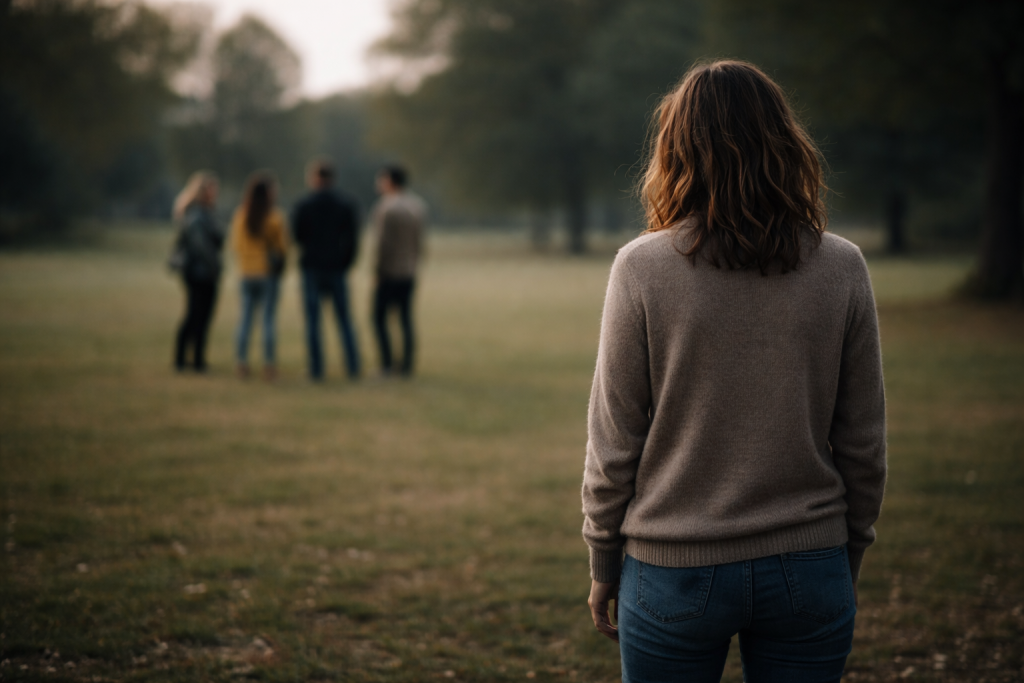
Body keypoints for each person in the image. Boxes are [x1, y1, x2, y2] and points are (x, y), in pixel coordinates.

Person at [581, 60, 887, 683]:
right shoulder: (842, 265)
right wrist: (846, 550)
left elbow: (614, 441)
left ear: (676, 147)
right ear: (784, 142)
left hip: (669, 568)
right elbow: (864, 442)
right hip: (810, 562)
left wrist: (602, 559)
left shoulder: (641, 268)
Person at [292, 159, 361, 381]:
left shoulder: (304, 204)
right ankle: (352, 366)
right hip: (336, 267)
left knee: (313, 322)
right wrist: (346, 261)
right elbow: (352, 238)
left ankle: (316, 369)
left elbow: (297, 236)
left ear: (314, 178)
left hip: (312, 266)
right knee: (344, 320)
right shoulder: (345, 204)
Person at [230, 171, 288, 380]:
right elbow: (282, 248)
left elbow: (235, 246)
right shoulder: (274, 218)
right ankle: (269, 365)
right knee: (268, 321)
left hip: (246, 273)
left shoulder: (240, 216)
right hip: (267, 274)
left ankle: (241, 362)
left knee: (245, 319)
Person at [371, 165, 426, 377]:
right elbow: (420, 242)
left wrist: (378, 271)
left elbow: (383, 245)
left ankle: (386, 364)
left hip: (389, 272)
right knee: (405, 319)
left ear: (389, 181)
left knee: (379, 318)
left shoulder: (386, 208)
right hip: (409, 271)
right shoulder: (418, 206)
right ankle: (407, 366)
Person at [171, 171, 224, 373]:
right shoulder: (197, 216)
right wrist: (214, 267)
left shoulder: (203, 213)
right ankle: (186, 360)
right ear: (204, 192)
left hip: (200, 272)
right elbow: (201, 247)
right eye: (212, 189)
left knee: (201, 316)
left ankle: (195, 359)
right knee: (196, 315)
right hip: (200, 273)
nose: (215, 193)